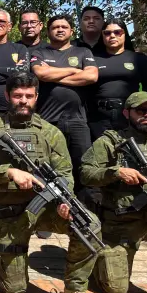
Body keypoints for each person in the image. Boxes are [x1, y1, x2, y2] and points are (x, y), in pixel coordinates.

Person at [0, 72, 102, 293]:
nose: (23, 101)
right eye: (18, 95)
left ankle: (76, 289)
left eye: (29, 96)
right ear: (7, 96)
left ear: (36, 97)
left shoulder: (50, 132)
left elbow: (66, 173)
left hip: (44, 210)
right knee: (15, 289)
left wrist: (65, 200)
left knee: (89, 225)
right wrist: (8, 172)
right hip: (7, 216)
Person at [74, 92, 147, 293]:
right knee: (116, 289)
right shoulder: (110, 141)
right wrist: (116, 173)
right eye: (141, 111)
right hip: (121, 225)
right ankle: (100, 260)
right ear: (127, 113)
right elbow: (85, 173)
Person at [30, 14, 98, 186]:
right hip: (48, 120)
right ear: (48, 32)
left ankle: (84, 207)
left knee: (84, 167)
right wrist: (74, 70)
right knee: (48, 167)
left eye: (64, 27)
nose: (59, 30)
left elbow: (91, 76)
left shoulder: (83, 52)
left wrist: (53, 75)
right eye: (55, 27)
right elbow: (41, 74)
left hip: (77, 121)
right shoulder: (39, 52)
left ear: (72, 31)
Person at [88, 19, 147, 140]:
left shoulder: (138, 59)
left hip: (129, 115)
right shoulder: (92, 59)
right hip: (98, 117)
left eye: (117, 32)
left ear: (125, 34)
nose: (112, 35)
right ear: (102, 36)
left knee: (132, 154)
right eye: (107, 33)